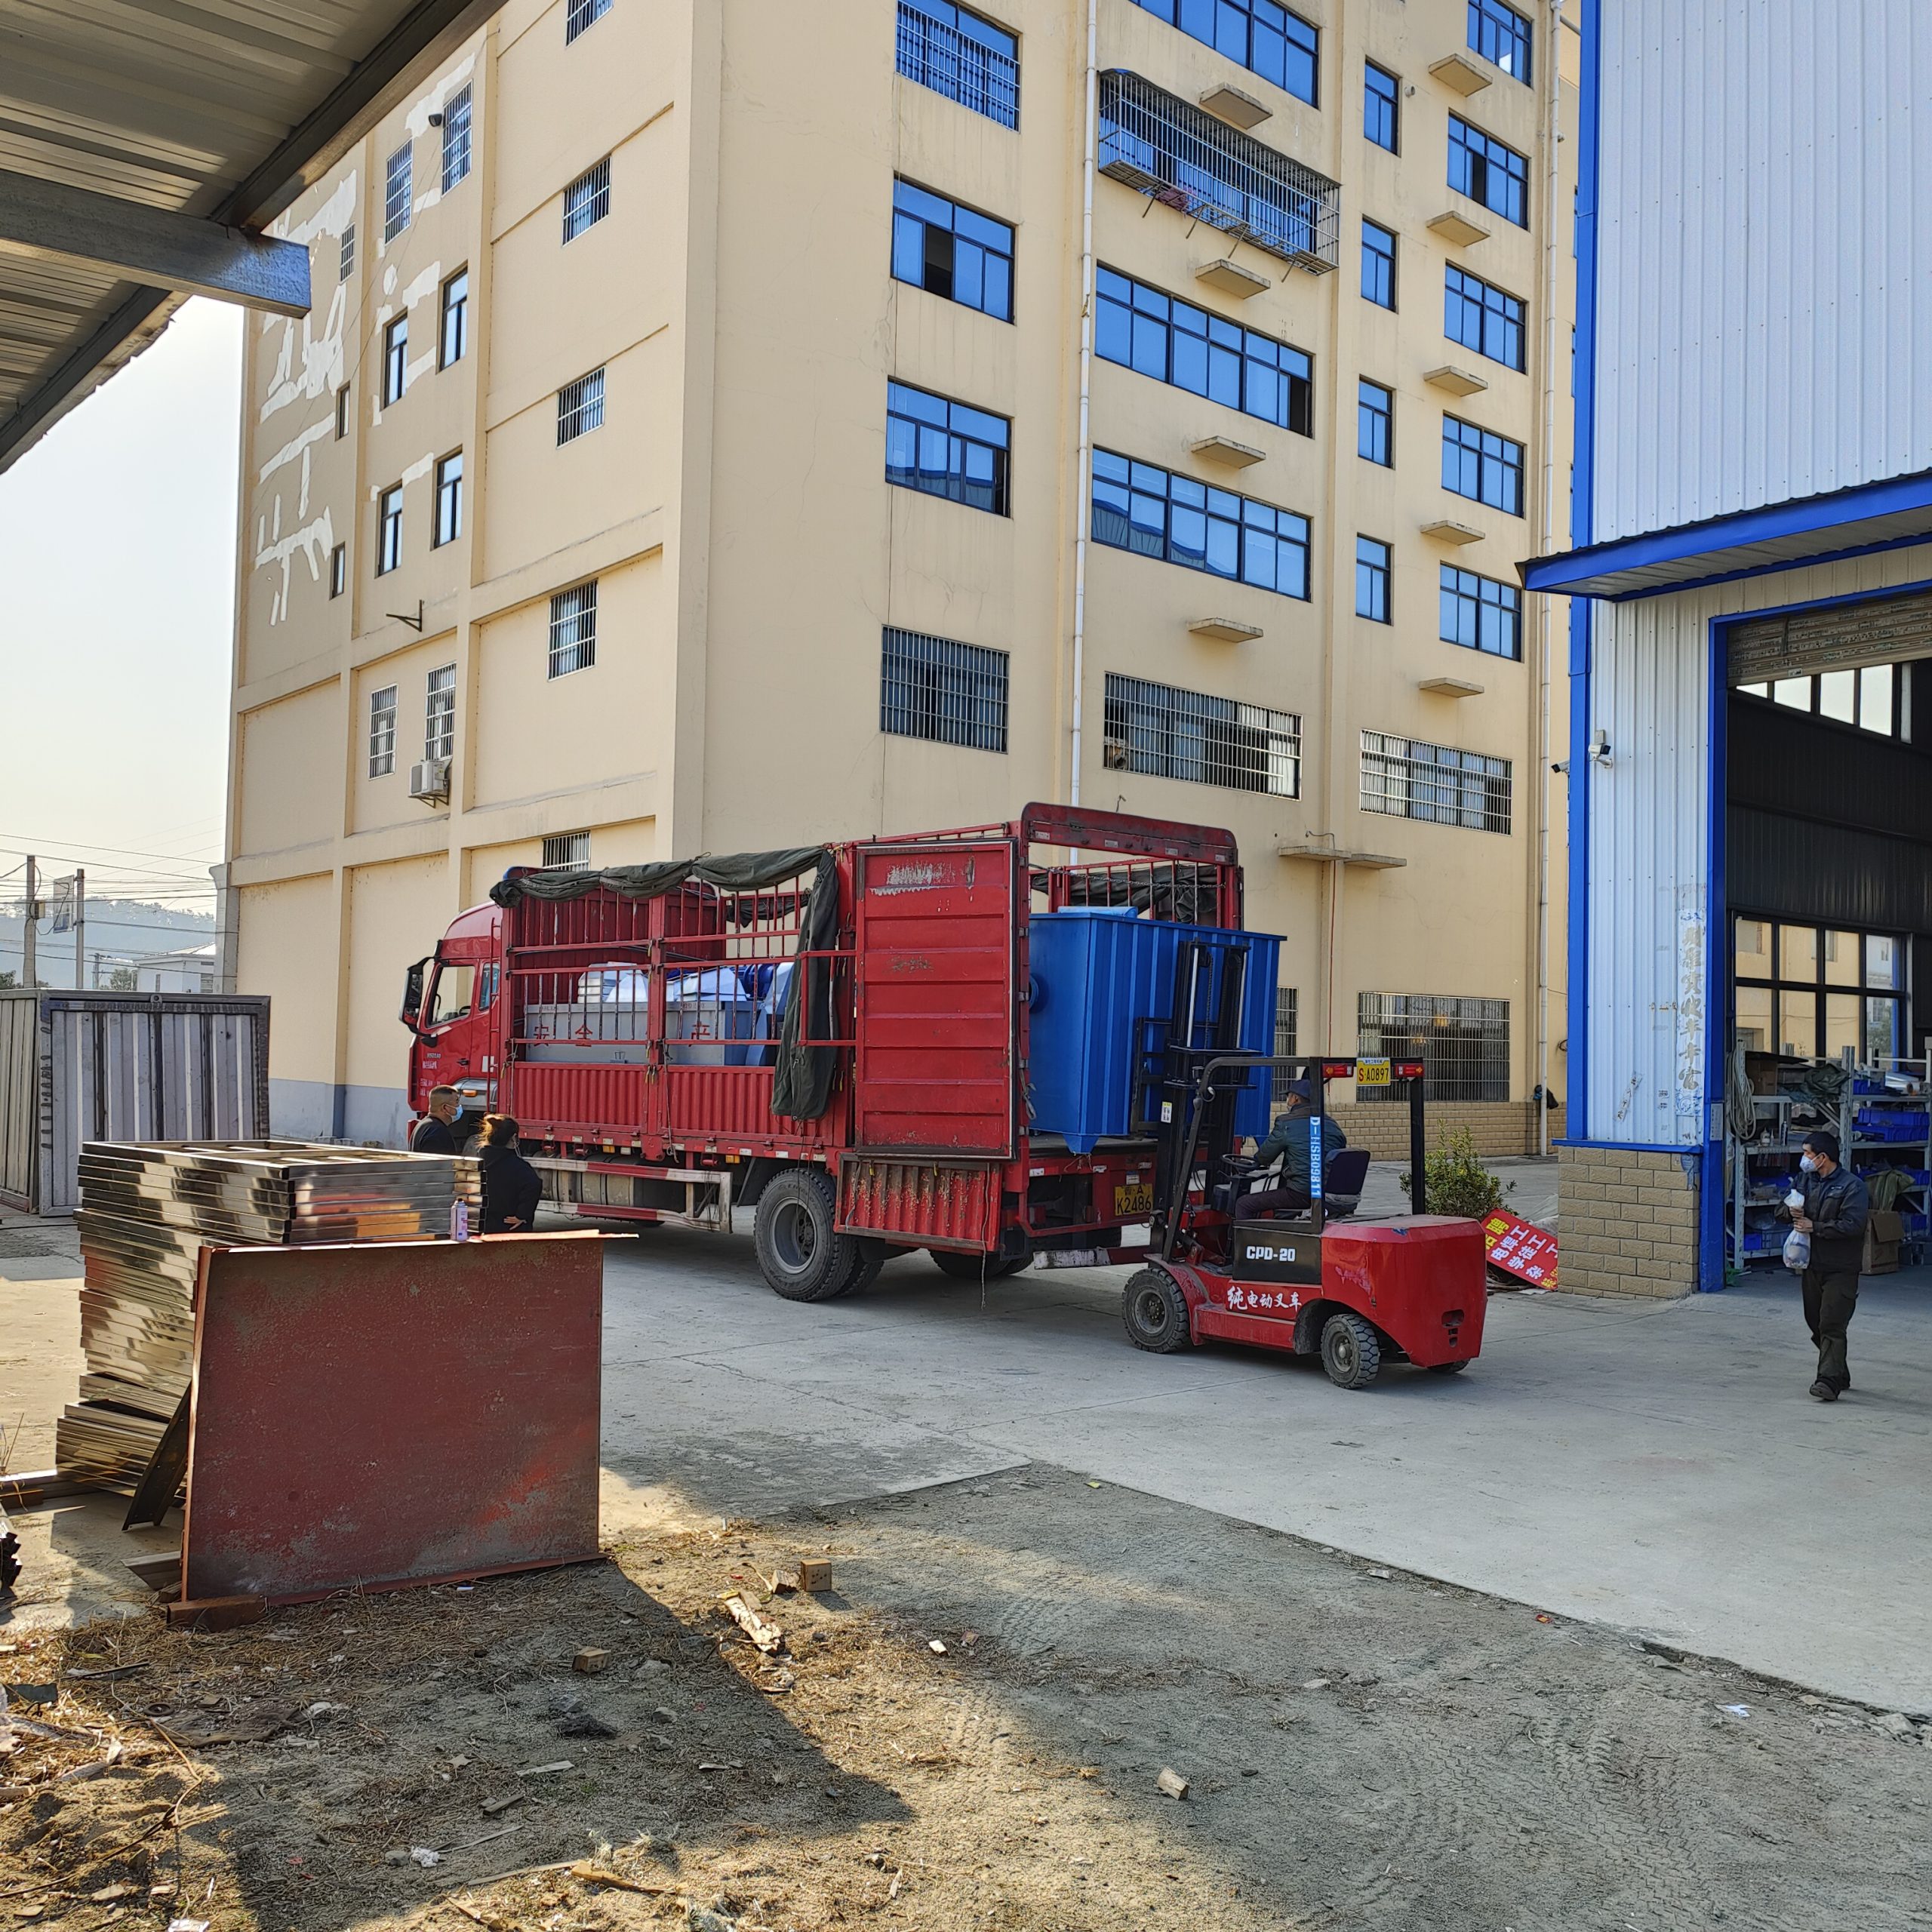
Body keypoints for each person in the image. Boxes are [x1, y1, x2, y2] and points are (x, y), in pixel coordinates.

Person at [1787, 1128, 1869, 1402]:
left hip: (1841, 1268)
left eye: (1807, 1153)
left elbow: (1854, 1225)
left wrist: (1816, 1227)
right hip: (1812, 1264)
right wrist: (1790, 1209)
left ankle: (1828, 1382)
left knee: (1832, 1323)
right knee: (1816, 1323)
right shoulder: (1805, 1180)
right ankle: (1839, 1371)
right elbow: (1782, 1208)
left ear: (1822, 1157)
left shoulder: (1852, 1187)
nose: (1804, 1158)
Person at [1241, 1079, 1347, 1217]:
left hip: (1301, 1193)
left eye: (1288, 1097)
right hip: (1328, 1192)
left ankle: (1243, 1232)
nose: (1288, 1101)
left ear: (1295, 1098)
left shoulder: (1286, 1123)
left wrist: (1254, 1162)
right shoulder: (1332, 1124)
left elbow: (1265, 1157)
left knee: (1244, 1204)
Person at [477, 1113, 543, 1234]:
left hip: (480, 1227)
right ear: (514, 1138)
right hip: (510, 1228)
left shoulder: (477, 1162)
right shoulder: (519, 1167)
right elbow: (534, 1185)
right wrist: (522, 1215)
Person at [411, 1086, 462, 1155]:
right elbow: (437, 1161)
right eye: (457, 1102)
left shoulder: (422, 1125)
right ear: (445, 1108)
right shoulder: (438, 1132)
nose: (459, 1106)